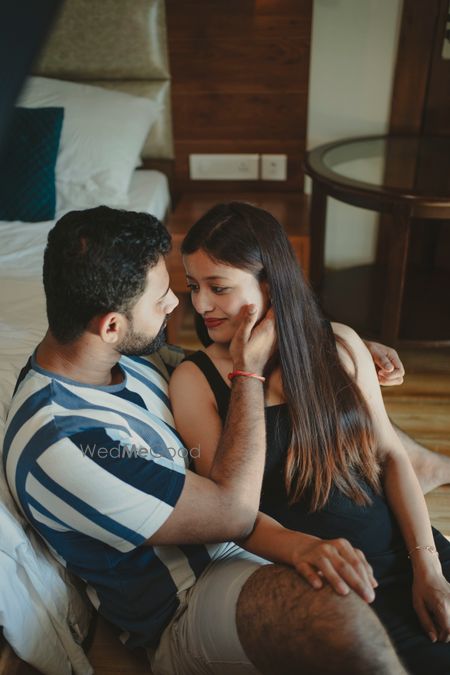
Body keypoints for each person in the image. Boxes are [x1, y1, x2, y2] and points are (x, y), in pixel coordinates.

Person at [3, 205, 410, 675]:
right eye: (161, 300)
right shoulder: (67, 444)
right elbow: (233, 513)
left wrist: (331, 346)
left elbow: (210, 366)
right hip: (188, 600)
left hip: (243, 534)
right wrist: (248, 372)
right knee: (334, 619)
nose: (180, 306)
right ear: (111, 325)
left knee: (350, 432)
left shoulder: (118, 355)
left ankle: (426, 466)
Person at [169, 201, 450, 675]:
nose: (199, 305)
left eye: (218, 287)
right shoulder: (196, 381)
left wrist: (429, 569)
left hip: (410, 546)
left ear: (269, 284)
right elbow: (230, 511)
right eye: (194, 286)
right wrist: (246, 371)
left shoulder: (340, 345)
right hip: (333, 581)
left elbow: (391, 457)